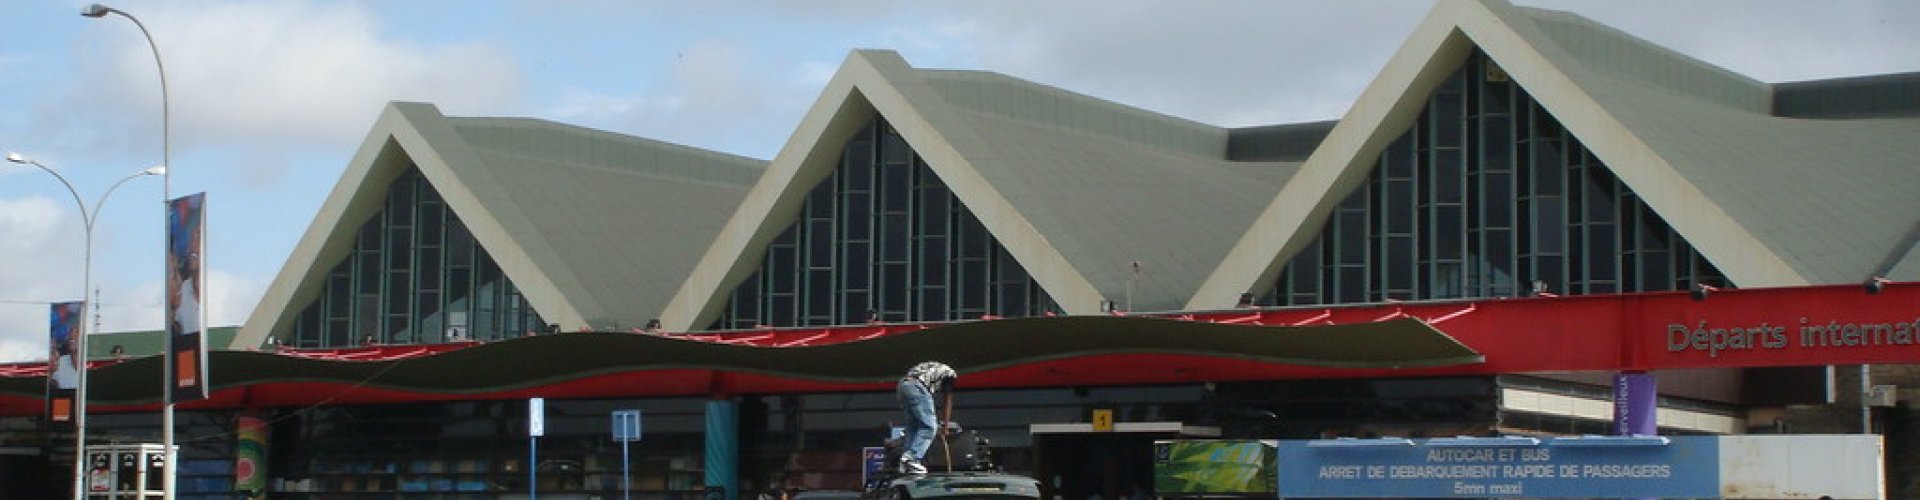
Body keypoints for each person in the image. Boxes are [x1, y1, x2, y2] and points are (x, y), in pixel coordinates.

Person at [897, 361, 956, 475]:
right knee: (929, 427)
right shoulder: (950, 375)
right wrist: (945, 426)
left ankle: (905, 463)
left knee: (913, 427)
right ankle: (912, 458)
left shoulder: (934, 368)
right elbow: (947, 401)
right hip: (917, 386)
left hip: (902, 386)